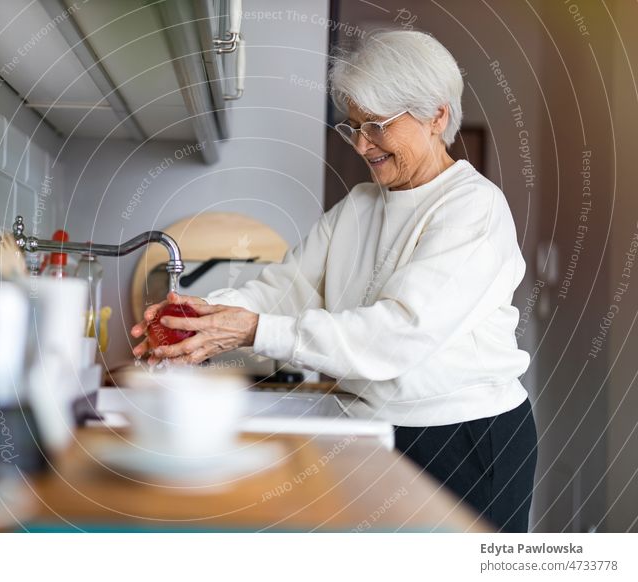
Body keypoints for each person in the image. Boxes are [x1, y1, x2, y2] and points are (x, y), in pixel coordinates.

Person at [131, 29, 537, 532]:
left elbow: (395, 335)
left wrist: (254, 329)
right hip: (377, 427)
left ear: (437, 115)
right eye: (353, 126)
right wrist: (201, 317)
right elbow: (284, 289)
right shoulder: (360, 206)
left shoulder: (473, 209)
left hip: (463, 439)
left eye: (378, 125)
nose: (363, 144)